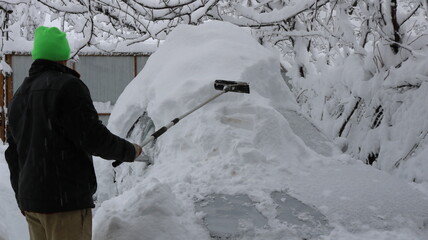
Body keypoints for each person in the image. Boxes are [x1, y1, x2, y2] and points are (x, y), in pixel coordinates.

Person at [4, 26, 142, 240]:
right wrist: (129, 151)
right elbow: (92, 137)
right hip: (64, 201)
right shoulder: (68, 87)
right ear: (63, 57)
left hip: (32, 203)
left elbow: (13, 154)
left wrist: (22, 196)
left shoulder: (19, 96)